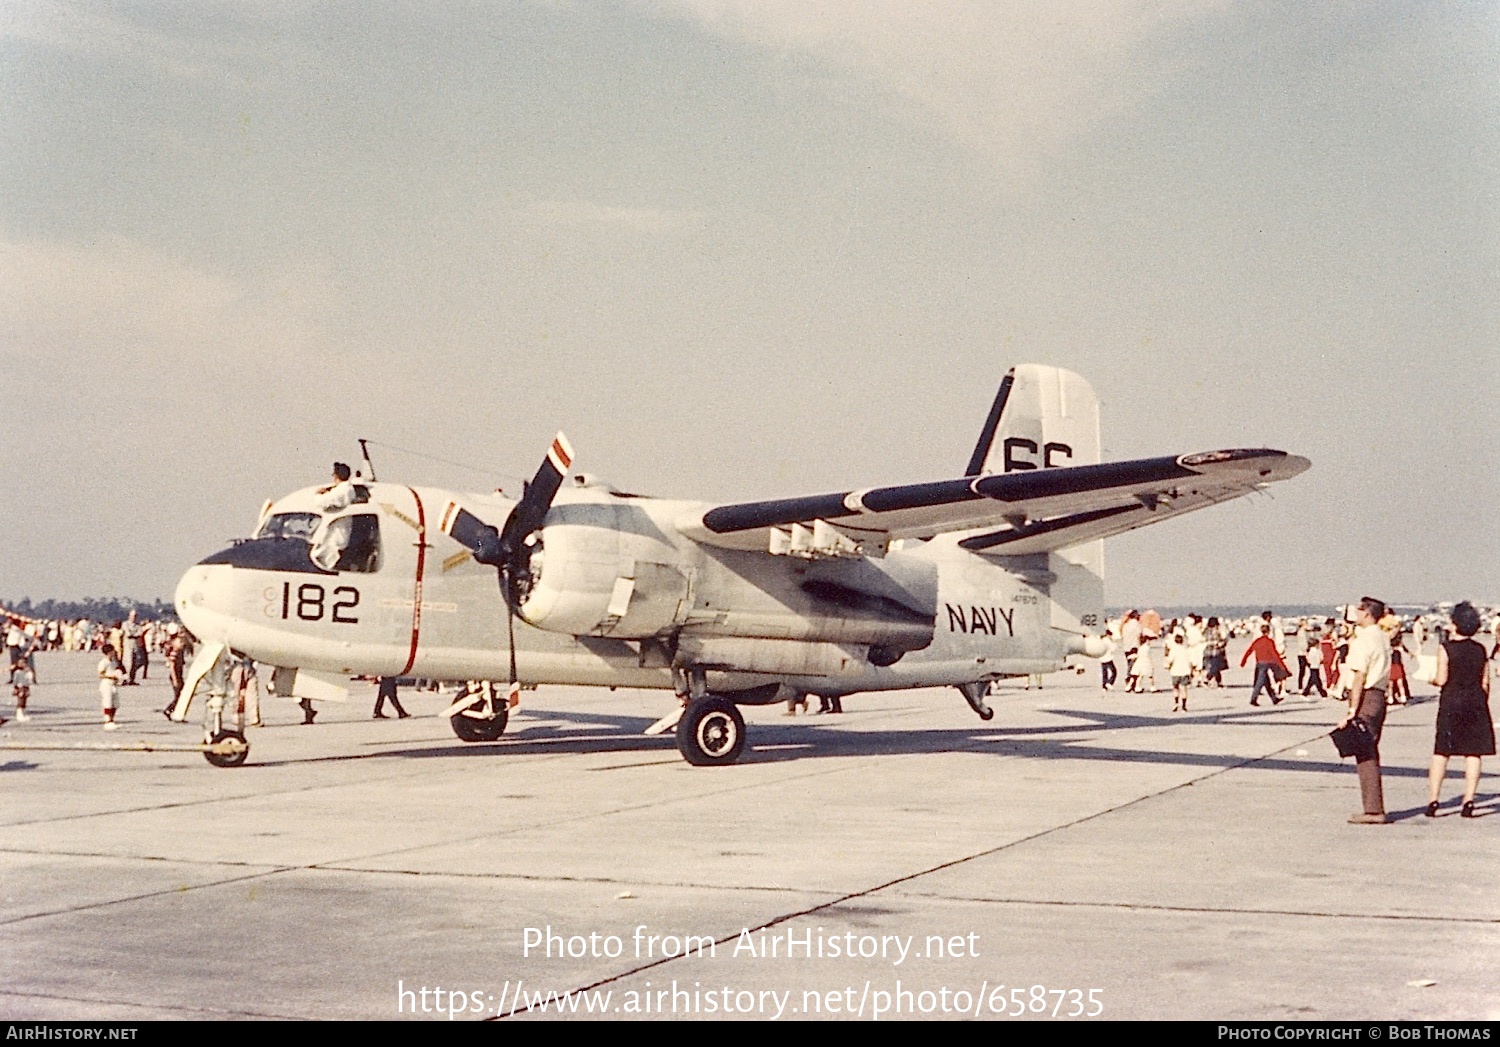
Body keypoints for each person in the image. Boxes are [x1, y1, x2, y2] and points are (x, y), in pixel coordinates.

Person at [1425, 602, 1492, 818]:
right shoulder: (1480, 649)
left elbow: (1442, 679)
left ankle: (1434, 800)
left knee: (1442, 751)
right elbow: (1485, 682)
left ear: (1455, 624)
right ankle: (1469, 800)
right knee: (1473, 753)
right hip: (1475, 702)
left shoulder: (1446, 648)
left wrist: (1431, 679)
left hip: (1452, 701)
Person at [1341, 596, 1393, 824]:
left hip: (1368, 696)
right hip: (1380, 696)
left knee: (1364, 751)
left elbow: (1359, 676)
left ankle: (1373, 810)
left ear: (1367, 613)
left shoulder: (1364, 640)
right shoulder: (1383, 637)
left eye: (1359, 610)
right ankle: (1373, 807)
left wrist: (1352, 708)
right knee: (1369, 748)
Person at [1241, 623, 1288, 706]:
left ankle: (1274, 699)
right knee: (1260, 682)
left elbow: (1249, 651)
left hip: (1259, 662)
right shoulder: (1269, 642)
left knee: (1266, 682)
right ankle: (1253, 699)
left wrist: (1243, 661)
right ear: (1269, 631)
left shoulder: (1257, 641)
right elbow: (1274, 654)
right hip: (1267, 662)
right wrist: (1282, 665)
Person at [98, 644, 126, 730]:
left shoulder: (114, 662)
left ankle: (112, 720)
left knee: (115, 703)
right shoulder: (104, 662)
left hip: (114, 684)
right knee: (108, 702)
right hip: (106, 684)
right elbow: (100, 674)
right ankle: (107, 721)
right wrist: (111, 677)